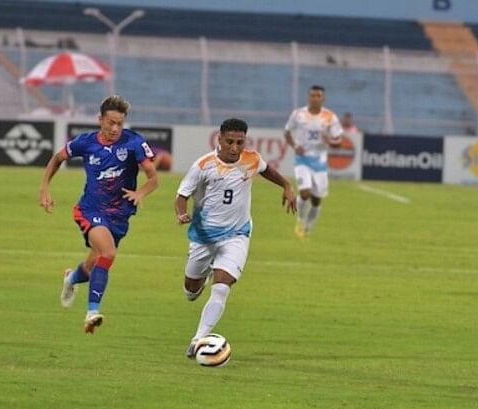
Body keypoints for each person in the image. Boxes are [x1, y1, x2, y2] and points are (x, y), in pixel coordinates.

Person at [175, 118, 297, 359]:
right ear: (219, 139)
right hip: (204, 237)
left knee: (221, 288)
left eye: (239, 142)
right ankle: (203, 277)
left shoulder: (251, 159)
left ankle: (198, 339)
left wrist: (286, 185)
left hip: (237, 234)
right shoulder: (203, 166)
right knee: (191, 291)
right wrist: (181, 213)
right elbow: (182, 195)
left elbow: (266, 170)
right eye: (229, 141)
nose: (234, 147)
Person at [39, 95, 159, 333]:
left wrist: (140, 194)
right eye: (110, 123)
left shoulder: (133, 143)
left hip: (119, 216)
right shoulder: (85, 142)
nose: (115, 129)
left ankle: (71, 279)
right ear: (100, 119)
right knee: (108, 252)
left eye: (119, 124)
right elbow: (57, 158)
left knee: (92, 266)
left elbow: (153, 178)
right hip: (90, 210)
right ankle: (92, 312)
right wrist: (44, 188)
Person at [284, 85, 343, 239]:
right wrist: (295, 146)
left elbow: (339, 141)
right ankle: (299, 220)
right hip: (302, 160)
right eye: (312, 95)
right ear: (308, 97)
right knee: (304, 193)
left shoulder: (330, 117)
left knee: (316, 200)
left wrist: (328, 140)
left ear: (323, 98)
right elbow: (287, 132)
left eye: (318, 96)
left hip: (320, 162)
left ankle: (308, 228)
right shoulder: (298, 114)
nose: (315, 98)